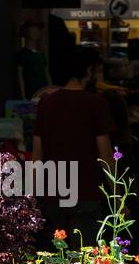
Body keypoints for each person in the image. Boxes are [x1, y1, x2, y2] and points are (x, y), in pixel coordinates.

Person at [32, 45, 115, 240]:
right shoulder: (96, 103)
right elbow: (106, 156)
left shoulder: (46, 103)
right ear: (89, 71)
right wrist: (117, 196)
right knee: (85, 259)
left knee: (56, 257)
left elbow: (37, 154)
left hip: (54, 190)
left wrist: (34, 196)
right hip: (86, 190)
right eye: (98, 70)